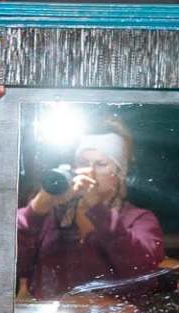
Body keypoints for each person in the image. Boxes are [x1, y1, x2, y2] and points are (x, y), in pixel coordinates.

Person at [16, 129, 163, 303]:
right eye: (82, 163)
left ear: (119, 174)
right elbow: (6, 261)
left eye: (101, 164)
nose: (89, 171)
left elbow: (143, 273)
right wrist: (36, 209)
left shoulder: (138, 219)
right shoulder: (52, 216)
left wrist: (99, 210)